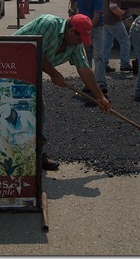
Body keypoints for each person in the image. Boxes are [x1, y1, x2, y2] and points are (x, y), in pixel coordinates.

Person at [13, 13, 111, 170]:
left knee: (35, 109)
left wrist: (99, 97)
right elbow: (33, 50)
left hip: (30, 72)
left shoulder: (74, 45)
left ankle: (34, 153)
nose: (80, 43)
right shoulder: (48, 23)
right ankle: (26, 153)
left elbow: (84, 68)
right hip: (10, 63)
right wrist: (54, 74)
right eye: (79, 38)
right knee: (29, 107)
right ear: (72, 31)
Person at [69, 0, 107, 93]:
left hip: (96, 28)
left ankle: (100, 83)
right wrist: (73, 13)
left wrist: (88, 29)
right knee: (86, 56)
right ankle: (89, 82)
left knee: (99, 55)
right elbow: (72, 5)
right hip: (83, 28)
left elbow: (96, 17)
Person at [103, 0, 133, 73]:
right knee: (125, 41)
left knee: (107, 43)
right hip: (114, 21)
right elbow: (113, 7)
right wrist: (125, 14)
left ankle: (103, 64)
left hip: (106, 21)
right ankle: (124, 64)